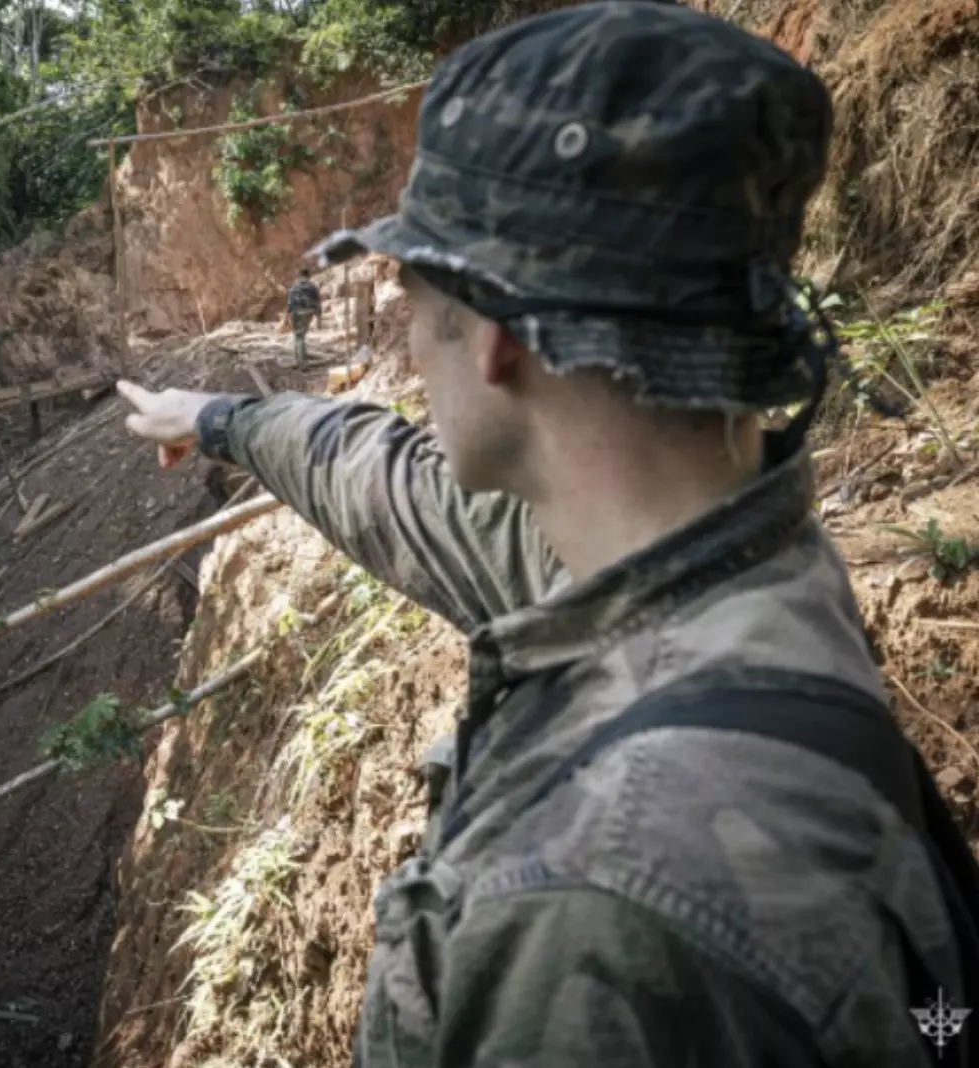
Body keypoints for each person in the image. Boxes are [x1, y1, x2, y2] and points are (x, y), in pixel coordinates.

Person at [116, 2, 976, 1065]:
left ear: (499, 335)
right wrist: (218, 419)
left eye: (409, 286)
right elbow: (396, 488)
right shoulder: (718, 559)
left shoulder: (589, 897)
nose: (406, 337)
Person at [285, 266, 322, 367]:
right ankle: (300, 359)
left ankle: (301, 363)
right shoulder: (312, 287)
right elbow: (318, 302)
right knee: (300, 336)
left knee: (298, 337)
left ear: (299, 276)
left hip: (296, 313)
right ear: (308, 276)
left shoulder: (293, 287)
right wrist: (319, 318)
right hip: (308, 312)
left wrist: (286, 318)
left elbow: (289, 303)